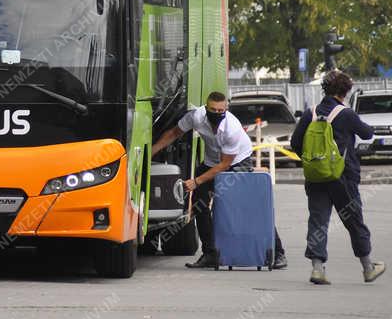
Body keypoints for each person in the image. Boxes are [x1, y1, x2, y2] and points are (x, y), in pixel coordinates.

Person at [152, 91, 287, 269]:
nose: (216, 113)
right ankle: (210, 254)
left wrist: (197, 181)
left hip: (237, 161)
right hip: (212, 161)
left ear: (226, 109)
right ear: (206, 108)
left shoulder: (232, 129)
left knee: (249, 205)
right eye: (212, 109)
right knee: (200, 204)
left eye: (220, 110)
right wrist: (153, 150)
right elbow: (175, 132)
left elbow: (225, 165)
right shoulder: (197, 116)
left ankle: (278, 253)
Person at [290, 70, 385, 285]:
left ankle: (317, 269)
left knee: (318, 221)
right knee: (354, 221)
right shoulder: (347, 114)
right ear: (346, 91)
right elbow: (367, 134)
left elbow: (296, 144)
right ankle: (368, 267)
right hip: (344, 178)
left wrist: (315, 162)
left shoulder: (310, 113)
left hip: (316, 178)